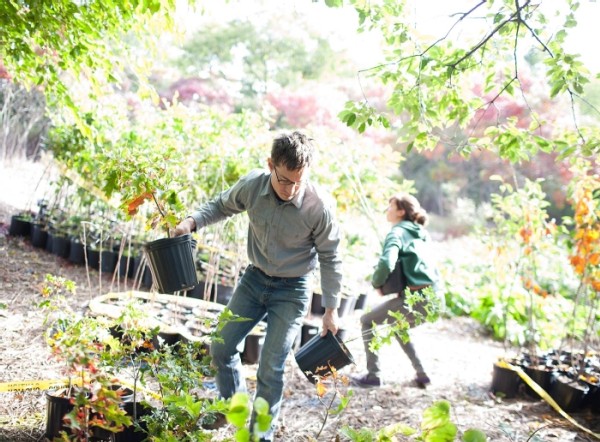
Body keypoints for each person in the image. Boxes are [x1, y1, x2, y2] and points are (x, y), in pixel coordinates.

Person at [173, 130, 343, 441]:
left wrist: (331, 309)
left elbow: (331, 257)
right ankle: (230, 406)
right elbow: (221, 205)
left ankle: (259, 435)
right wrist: (192, 221)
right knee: (221, 347)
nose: (291, 189)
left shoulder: (319, 208)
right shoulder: (253, 185)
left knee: (270, 367)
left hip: (293, 290)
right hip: (254, 280)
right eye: (284, 180)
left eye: (298, 182)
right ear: (270, 165)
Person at [351, 192, 441, 389]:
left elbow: (387, 262)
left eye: (390, 206)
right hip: (435, 298)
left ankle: (373, 375)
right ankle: (423, 374)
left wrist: (377, 283)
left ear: (401, 211)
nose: (387, 209)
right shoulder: (421, 233)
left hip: (416, 299)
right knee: (399, 326)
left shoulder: (396, 232)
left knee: (366, 321)